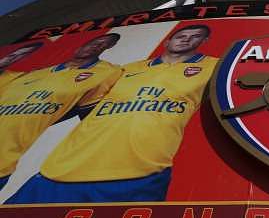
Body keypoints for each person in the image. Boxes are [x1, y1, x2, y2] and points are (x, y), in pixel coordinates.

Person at [6, 25, 217, 203]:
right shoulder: (121, 70)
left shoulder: (213, 67)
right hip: (61, 171)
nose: (186, 40)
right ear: (167, 41)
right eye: (181, 36)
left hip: (140, 175)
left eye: (195, 37)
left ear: (204, 40)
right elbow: (78, 107)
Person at [0, 34, 121, 191]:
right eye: (94, 42)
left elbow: (91, 115)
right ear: (81, 45)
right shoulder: (29, 76)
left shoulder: (107, 71)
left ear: (108, 48)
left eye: (103, 44)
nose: (96, 46)